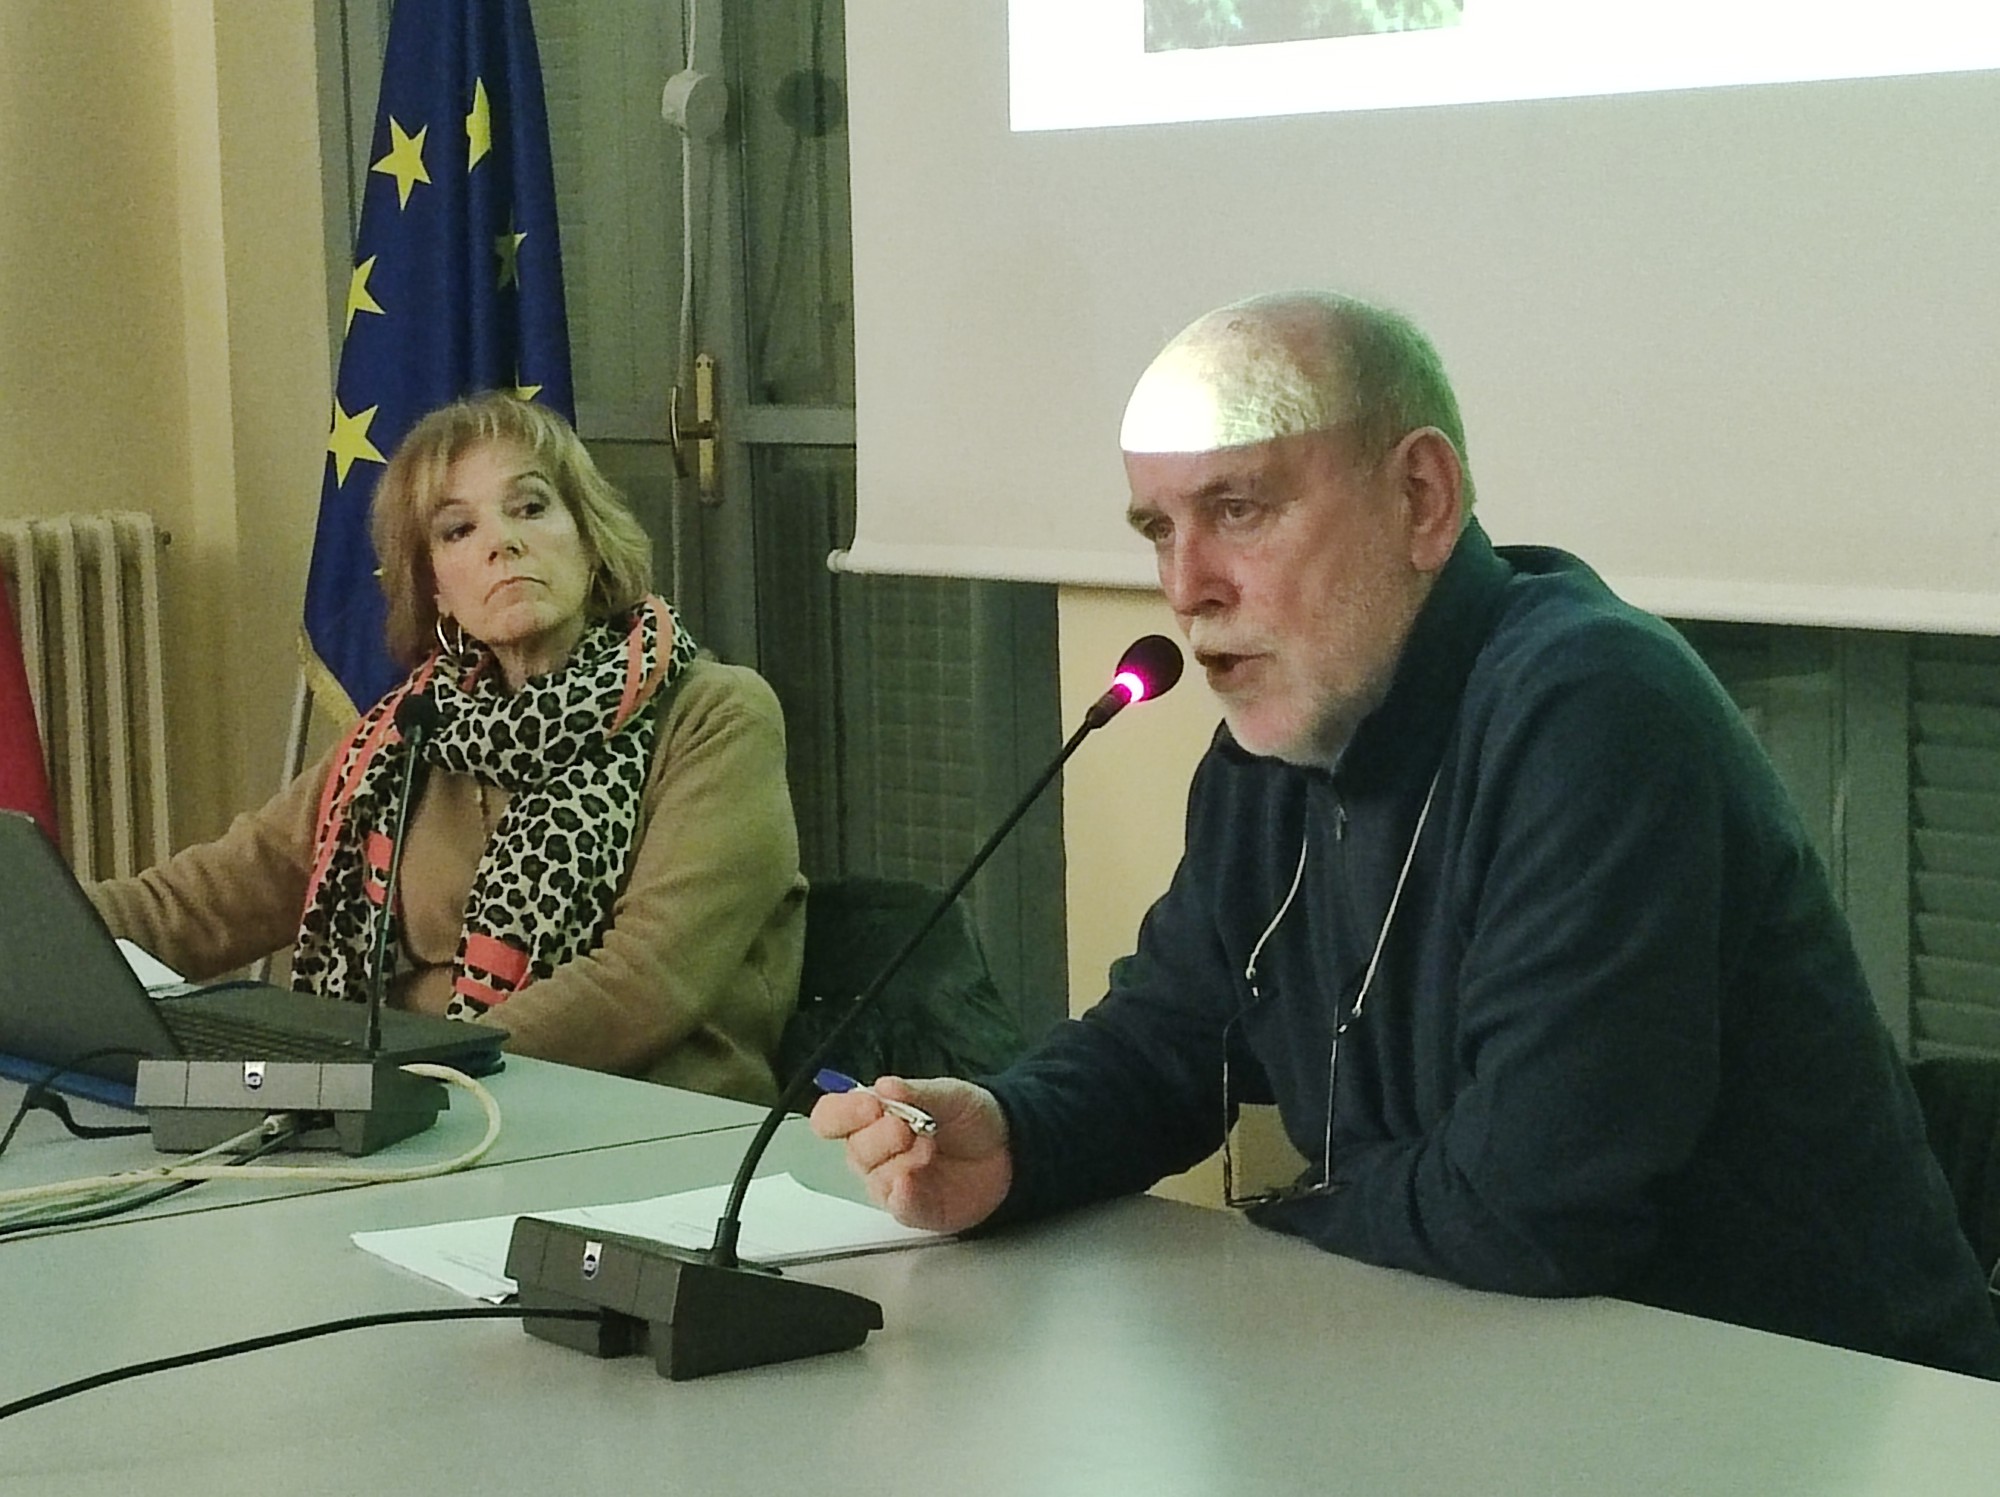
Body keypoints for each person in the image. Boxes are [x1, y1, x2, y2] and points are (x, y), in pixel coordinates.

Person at [813, 291, 2000, 1376]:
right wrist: (1014, 1136)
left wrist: (1270, 1227)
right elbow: (1169, 1040)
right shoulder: (1274, 745)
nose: (1186, 586)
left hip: (1816, 1404)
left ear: (1420, 499)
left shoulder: (1593, 711)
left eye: (1236, 510)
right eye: (1156, 529)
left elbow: (1529, 1203)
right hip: (1505, 1373)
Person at [90, 393, 805, 1104]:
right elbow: (203, 902)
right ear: (434, 586)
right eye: (458, 529)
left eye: (530, 507)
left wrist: (407, 1075)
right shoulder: (409, 731)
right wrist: (48, 926)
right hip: (426, 1112)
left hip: (644, 1116)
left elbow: (645, 981)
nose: (502, 543)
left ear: (589, 539)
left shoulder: (715, 713)